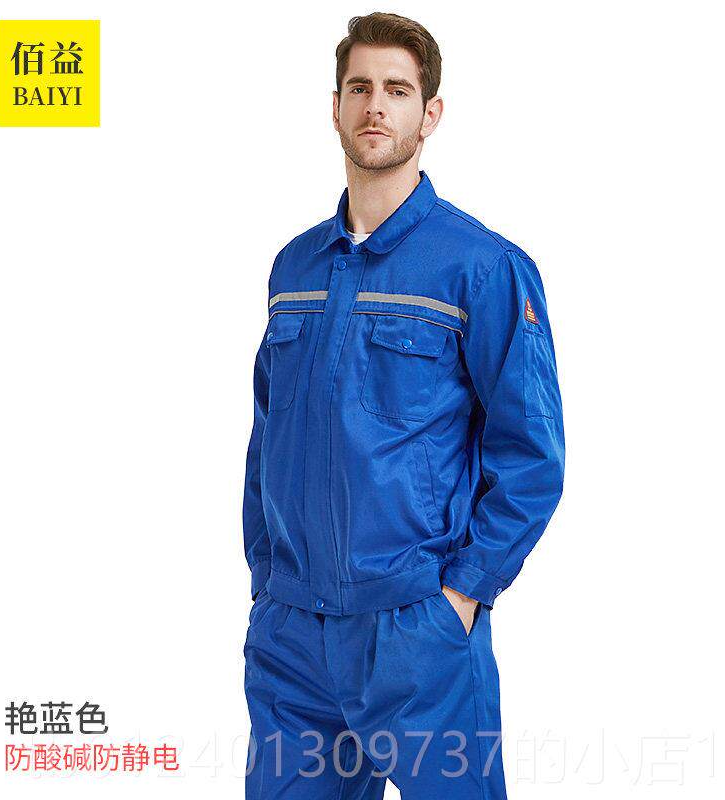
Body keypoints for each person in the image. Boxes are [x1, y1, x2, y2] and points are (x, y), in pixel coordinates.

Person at [241, 11, 565, 798]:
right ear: (335, 107)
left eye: (397, 89)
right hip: (291, 636)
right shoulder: (294, 267)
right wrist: (266, 580)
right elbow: (266, 438)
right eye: (359, 88)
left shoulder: (482, 267)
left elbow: (532, 454)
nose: (375, 105)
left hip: (415, 630)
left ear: (431, 113)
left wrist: (462, 594)